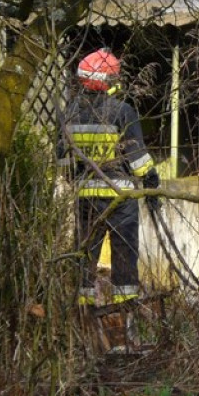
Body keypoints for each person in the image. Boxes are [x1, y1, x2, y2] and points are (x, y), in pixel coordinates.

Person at [56, 48, 160, 324]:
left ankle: (83, 315)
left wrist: (81, 182)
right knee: (124, 254)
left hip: (86, 199)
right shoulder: (122, 112)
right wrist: (152, 186)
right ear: (108, 81)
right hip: (120, 197)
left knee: (84, 255)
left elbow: (64, 164)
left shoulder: (68, 114)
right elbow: (139, 161)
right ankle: (125, 317)